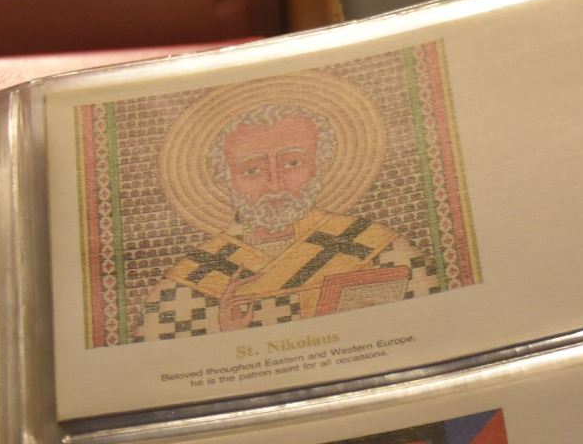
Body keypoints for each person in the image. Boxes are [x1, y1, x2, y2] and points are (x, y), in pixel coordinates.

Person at [134, 75, 436, 341]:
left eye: (292, 163)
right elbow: (159, 364)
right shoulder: (194, 276)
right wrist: (224, 333)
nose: (275, 184)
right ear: (226, 178)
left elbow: (432, 325)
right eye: (252, 170)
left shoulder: (376, 247)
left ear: (320, 165)